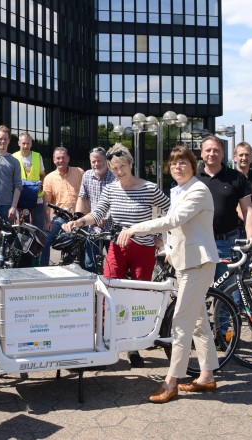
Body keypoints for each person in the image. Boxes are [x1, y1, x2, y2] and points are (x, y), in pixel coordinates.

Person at [117, 146, 220, 403]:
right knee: (198, 323)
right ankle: (206, 376)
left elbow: (173, 220)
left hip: (197, 264)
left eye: (183, 163)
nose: (178, 167)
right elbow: (176, 229)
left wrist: (134, 229)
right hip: (185, 262)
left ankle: (171, 382)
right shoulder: (178, 190)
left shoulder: (198, 190)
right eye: (174, 164)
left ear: (192, 166)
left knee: (181, 325)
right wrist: (166, 248)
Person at [63, 143, 170, 367]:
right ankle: (106, 344)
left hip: (143, 248)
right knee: (108, 292)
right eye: (115, 169)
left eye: (123, 166)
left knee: (139, 296)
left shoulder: (148, 188)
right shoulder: (111, 189)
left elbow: (171, 211)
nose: (120, 172)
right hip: (116, 246)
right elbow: (99, 212)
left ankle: (134, 347)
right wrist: (78, 221)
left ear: (131, 164)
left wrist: (159, 234)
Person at [197, 135, 252, 283]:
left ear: (223, 154)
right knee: (197, 295)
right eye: (208, 150)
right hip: (198, 243)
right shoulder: (193, 178)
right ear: (202, 153)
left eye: (216, 150)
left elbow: (248, 210)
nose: (212, 153)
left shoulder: (236, 178)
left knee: (229, 295)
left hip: (226, 243)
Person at [40, 146, 84, 266]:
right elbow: (46, 202)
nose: (61, 160)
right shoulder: (49, 178)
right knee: (45, 239)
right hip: (60, 219)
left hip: (78, 218)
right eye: (58, 158)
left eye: (63, 158)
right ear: (54, 160)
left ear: (68, 158)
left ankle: (84, 270)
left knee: (84, 242)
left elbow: (87, 195)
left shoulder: (79, 172)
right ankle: (44, 269)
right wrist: (48, 221)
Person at [75, 146, 115, 273]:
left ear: (106, 161)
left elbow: (118, 200)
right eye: (93, 161)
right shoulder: (87, 175)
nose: (96, 164)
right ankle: (93, 290)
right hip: (93, 228)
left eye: (99, 161)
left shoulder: (114, 176)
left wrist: (104, 217)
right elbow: (82, 197)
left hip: (112, 228)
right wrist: (77, 217)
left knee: (113, 265)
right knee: (90, 262)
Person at [13, 131, 46, 231]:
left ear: (31, 144)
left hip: (36, 197)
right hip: (20, 196)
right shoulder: (13, 157)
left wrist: (40, 188)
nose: (25, 146)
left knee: (38, 227)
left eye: (28, 143)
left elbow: (42, 175)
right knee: (20, 226)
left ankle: (38, 247)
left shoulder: (37, 156)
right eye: (23, 143)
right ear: (19, 143)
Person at [0, 125, 22, 223]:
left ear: (9, 140)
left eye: (5, 139)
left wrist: (13, 207)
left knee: (6, 236)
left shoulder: (14, 162)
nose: (2, 141)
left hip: (6, 206)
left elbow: (18, 186)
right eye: (0, 139)